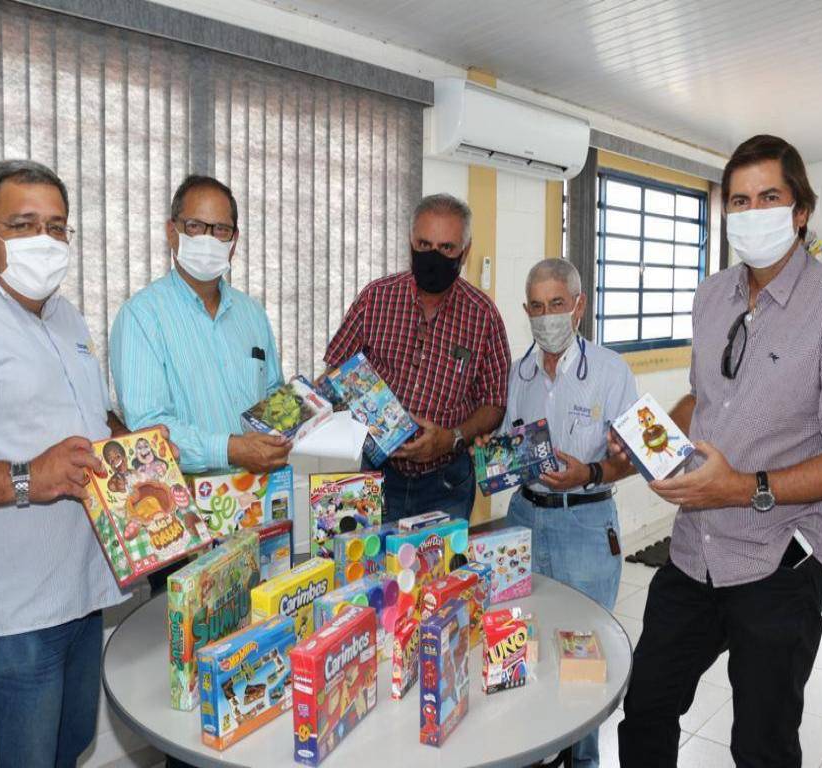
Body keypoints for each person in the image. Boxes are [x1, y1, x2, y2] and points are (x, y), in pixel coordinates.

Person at [616, 135, 822, 768]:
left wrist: (740, 488)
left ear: (800, 210)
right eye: (739, 200)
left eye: (769, 197)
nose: (752, 212)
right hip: (694, 551)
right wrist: (649, 440)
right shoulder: (712, 296)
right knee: (647, 707)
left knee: (762, 746)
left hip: (779, 563)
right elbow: (702, 397)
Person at [0, 160, 129, 766]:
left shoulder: (66, 317)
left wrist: (134, 443)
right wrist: (26, 478)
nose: (46, 239)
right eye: (24, 224)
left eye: (58, 226)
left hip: (81, 589)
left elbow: (84, 418)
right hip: (10, 614)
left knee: (69, 750)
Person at [494, 258, 637, 768]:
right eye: (536, 307)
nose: (547, 316)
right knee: (519, 644)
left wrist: (589, 472)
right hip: (524, 519)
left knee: (583, 656)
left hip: (585, 524)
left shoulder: (611, 372)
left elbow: (634, 458)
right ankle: (530, 753)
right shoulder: (520, 374)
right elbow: (508, 447)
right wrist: (492, 461)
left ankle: (583, 761)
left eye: (557, 304)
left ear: (578, 306)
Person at [324, 193, 510, 522]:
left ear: (465, 251)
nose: (433, 256)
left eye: (446, 248)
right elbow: (337, 367)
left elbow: (494, 403)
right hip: (375, 473)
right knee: (368, 554)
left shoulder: (483, 316)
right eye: (424, 245)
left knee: (440, 558)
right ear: (411, 242)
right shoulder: (376, 297)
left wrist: (451, 438)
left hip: (446, 482)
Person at [110, 175, 291, 476]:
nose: (208, 239)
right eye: (195, 226)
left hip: (262, 493)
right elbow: (148, 427)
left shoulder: (252, 313)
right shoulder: (141, 316)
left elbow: (272, 393)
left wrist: (306, 405)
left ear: (234, 241)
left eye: (220, 229)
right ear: (172, 232)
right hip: (188, 497)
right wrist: (230, 449)